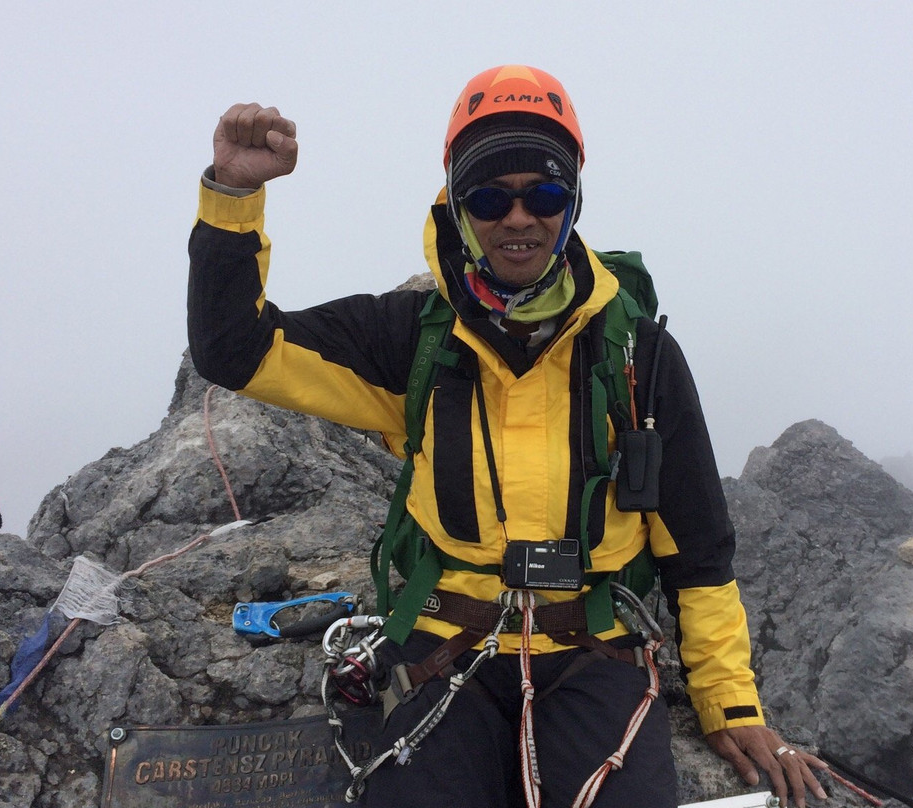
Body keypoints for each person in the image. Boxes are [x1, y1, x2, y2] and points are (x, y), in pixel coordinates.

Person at [188, 65, 827, 808]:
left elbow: (698, 546)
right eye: (490, 197)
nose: (518, 217)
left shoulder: (636, 357)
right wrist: (234, 196)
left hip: (595, 654)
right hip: (444, 650)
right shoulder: (412, 342)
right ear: (458, 205)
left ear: (573, 201)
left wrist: (730, 703)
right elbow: (236, 349)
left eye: (545, 193)